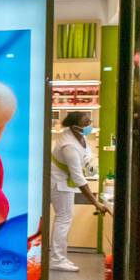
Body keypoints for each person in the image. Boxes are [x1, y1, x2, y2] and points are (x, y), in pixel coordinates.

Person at [49, 111, 109, 271]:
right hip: (59, 182)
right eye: (86, 122)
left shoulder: (77, 136)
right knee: (63, 219)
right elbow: (78, 178)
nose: (90, 123)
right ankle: (57, 259)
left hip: (65, 180)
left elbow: (86, 154)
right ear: (75, 125)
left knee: (65, 218)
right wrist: (95, 203)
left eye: (90, 120)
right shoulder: (69, 146)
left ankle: (61, 257)